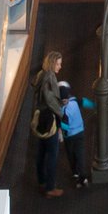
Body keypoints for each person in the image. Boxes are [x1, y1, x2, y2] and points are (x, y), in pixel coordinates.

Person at [34, 52, 68, 196]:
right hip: (49, 119)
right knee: (52, 155)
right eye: (58, 63)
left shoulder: (41, 74)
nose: (60, 66)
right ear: (53, 63)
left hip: (40, 116)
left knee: (41, 153)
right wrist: (61, 113)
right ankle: (50, 188)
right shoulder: (50, 77)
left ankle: (41, 181)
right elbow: (50, 100)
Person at [59, 83, 90, 189]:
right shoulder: (74, 101)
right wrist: (95, 105)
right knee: (80, 155)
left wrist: (61, 130)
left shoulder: (64, 111)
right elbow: (84, 101)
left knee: (71, 155)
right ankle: (83, 177)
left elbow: (65, 126)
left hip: (70, 137)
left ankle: (75, 172)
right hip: (80, 133)